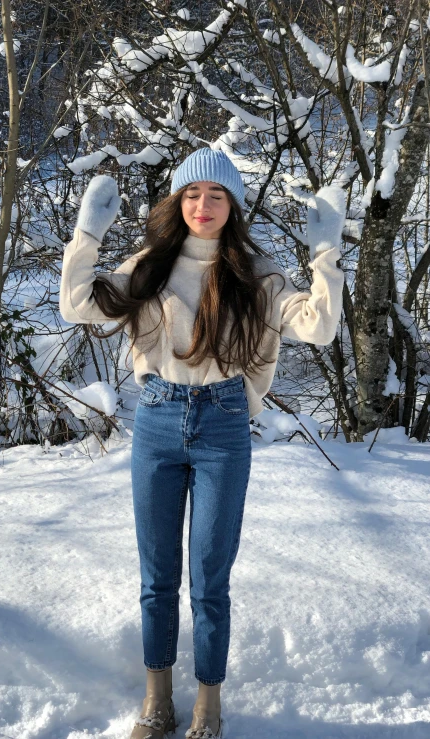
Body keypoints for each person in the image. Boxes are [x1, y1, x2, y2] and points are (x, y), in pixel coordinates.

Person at [59, 148, 345, 739]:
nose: (203, 205)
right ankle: (156, 701)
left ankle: (207, 706)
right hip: (159, 423)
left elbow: (319, 326)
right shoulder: (150, 268)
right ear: (178, 202)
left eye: (216, 195)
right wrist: (87, 236)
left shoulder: (257, 275)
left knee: (211, 577)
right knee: (156, 574)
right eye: (192, 194)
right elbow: (76, 303)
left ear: (232, 206)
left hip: (222, 428)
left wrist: (325, 255)